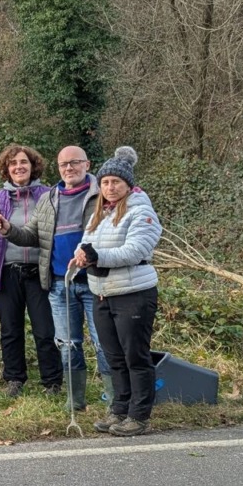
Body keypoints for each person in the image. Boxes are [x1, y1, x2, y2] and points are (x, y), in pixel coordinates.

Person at [0, 144, 112, 411]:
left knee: (103, 343)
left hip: (94, 280)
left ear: (87, 164)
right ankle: (75, 400)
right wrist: (9, 229)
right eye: (64, 165)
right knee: (68, 344)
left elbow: (115, 232)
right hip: (60, 283)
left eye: (74, 163)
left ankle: (114, 400)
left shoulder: (102, 195)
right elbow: (30, 235)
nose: (69, 168)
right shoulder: (51, 198)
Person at [73, 147, 162, 437]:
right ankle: (119, 408)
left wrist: (96, 255)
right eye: (106, 182)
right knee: (114, 356)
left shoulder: (141, 211)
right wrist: (82, 255)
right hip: (102, 293)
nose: (110, 188)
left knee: (134, 356)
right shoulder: (100, 212)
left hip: (133, 293)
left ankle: (139, 415)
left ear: (128, 185)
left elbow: (136, 250)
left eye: (116, 182)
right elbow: (87, 241)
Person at [0, 145, 63, 399]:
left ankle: (52, 381)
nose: (18, 167)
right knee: (10, 330)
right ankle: (14, 379)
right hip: (6, 272)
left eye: (23, 162)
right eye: (13, 163)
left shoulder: (49, 195)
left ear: (33, 165)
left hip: (39, 272)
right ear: (7, 169)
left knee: (45, 330)